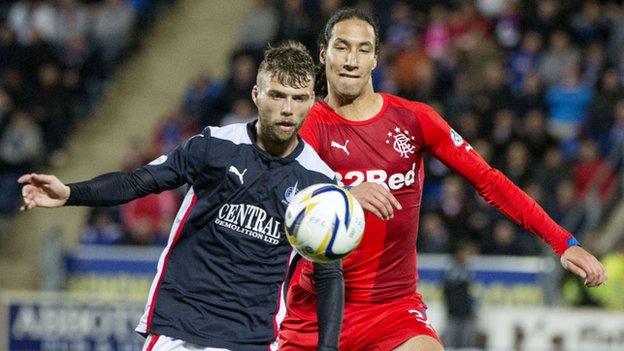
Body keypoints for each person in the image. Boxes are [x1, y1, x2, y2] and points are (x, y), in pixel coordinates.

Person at [279, 8, 607, 351]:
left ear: (376, 59)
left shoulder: (413, 119)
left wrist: (563, 242)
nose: (351, 59)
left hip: (392, 309)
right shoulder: (307, 125)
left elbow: (488, 181)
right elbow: (279, 195)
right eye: (342, 47)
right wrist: (343, 196)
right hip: (315, 311)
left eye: (363, 49)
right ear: (323, 53)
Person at [19, 42, 343, 351]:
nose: (288, 109)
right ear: (257, 95)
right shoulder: (214, 146)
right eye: (277, 95)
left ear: (312, 101)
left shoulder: (320, 183)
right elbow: (138, 182)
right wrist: (71, 193)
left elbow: (328, 273)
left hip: (251, 337)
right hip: (179, 324)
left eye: (299, 98)